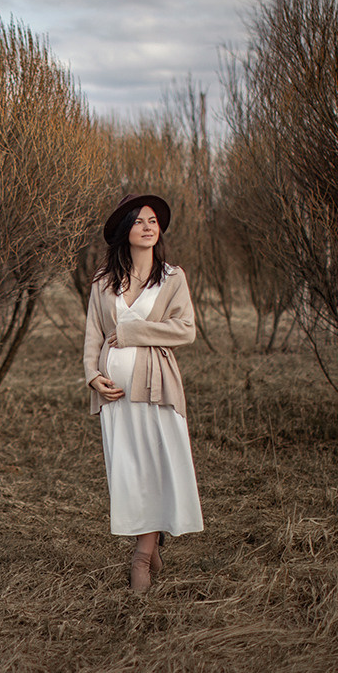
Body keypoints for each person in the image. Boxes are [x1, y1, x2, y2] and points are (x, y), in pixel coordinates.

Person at [83, 193, 203, 592]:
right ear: (125, 231)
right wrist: (92, 376)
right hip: (114, 393)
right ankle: (150, 550)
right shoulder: (103, 282)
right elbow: (93, 336)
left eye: (153, 221)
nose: (149, 227)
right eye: (139, 221)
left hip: (156, 388)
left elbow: (185, 329)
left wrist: (135, 331)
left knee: (154, 469)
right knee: (129, 473)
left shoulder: (172, 278)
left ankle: (140, 560)